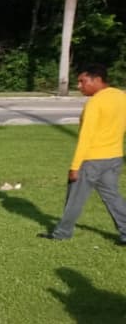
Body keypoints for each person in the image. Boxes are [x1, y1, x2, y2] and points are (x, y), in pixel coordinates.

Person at [40, 63, 126, 244]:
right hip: (114, 157)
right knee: (113, 197)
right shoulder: (121, 96)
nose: (79, 86)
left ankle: (61, 234)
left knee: (75, 199)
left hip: (92, 159)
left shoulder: (95, 102)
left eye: (82, 81)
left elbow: (86, 137)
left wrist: (74, 166)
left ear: (97, 80)